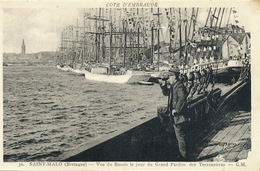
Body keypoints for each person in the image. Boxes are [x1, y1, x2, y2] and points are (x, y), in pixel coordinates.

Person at [158, 72, 191, 160]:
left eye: (169, 77)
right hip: (174, 115)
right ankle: (182, 154)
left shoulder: (179, 85)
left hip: (179, 116)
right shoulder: (174, 85)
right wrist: (163, 85)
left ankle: (183, 156)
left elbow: (182, 98)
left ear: (174, 76)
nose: (168, 79)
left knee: (180, 136)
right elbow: (166, 93)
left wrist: (176, 109)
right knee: (160, 109)